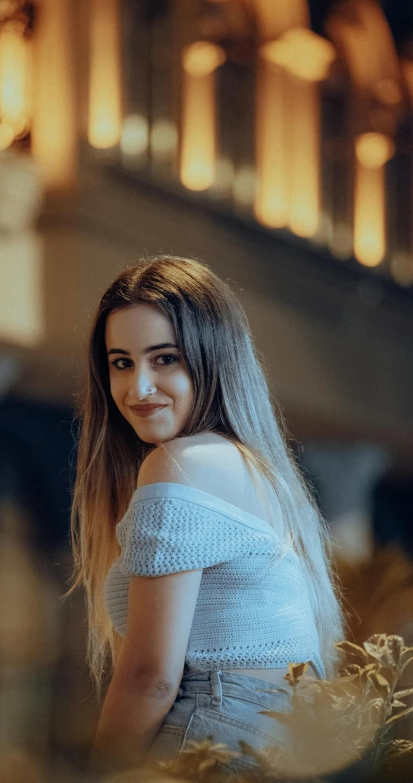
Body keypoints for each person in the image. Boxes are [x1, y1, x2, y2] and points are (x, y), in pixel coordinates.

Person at [64, 255, 345, 777]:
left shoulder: (180, 464)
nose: (138, 387)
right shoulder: (259, 471)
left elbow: (151, 677)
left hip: (209, 731)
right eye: (121, 362)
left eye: (164, 358)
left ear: (210, 357)